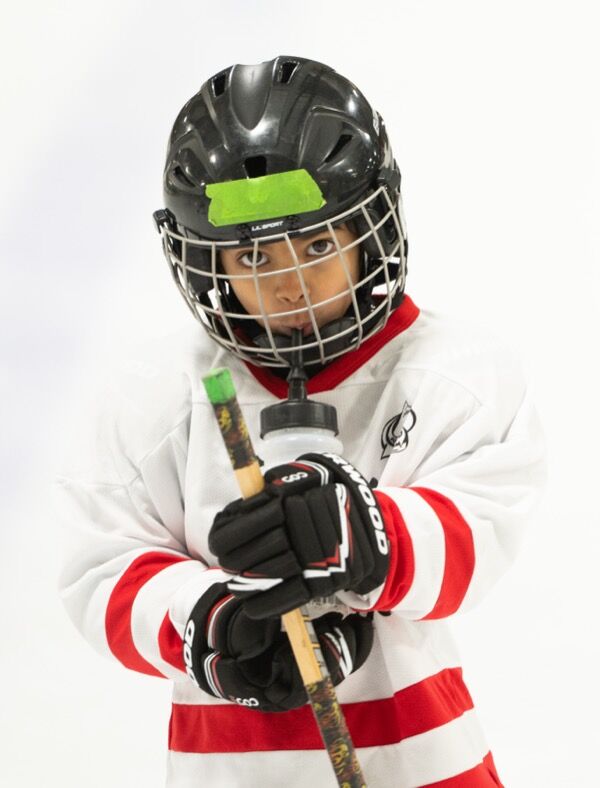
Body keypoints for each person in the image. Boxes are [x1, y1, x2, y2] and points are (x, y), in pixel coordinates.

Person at [56, 56, 547, 787]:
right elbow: (102, 569)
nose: (288, 285)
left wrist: (366, 533)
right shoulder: (159, 393)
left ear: (370, 230)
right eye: (253, 255)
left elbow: (478, 533)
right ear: (205, 260)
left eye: (318, 245)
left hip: (422, 765)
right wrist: (215, 622)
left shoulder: (451, 369)